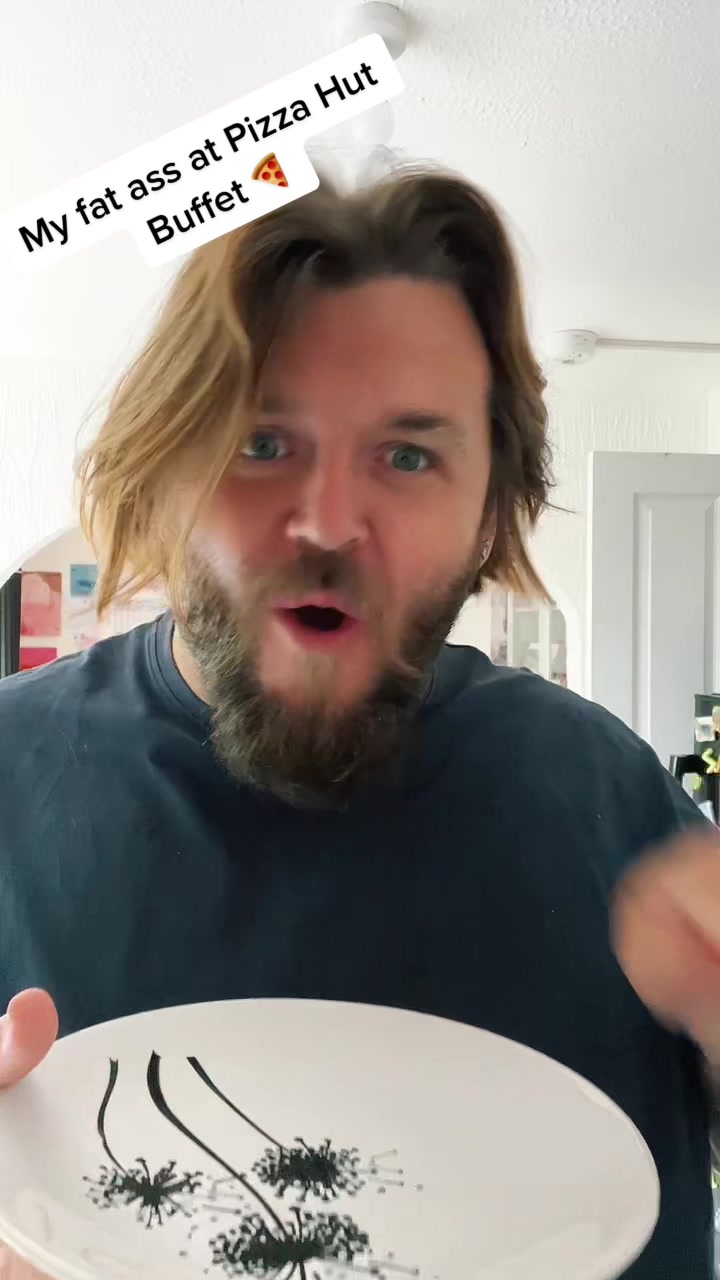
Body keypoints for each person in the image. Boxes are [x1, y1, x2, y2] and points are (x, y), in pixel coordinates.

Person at [1, 165, 720, 1280]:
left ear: (490, 516)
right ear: (159, 470)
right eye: (260, 442)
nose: (331, 521)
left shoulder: (609, 794)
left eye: (409, 455)